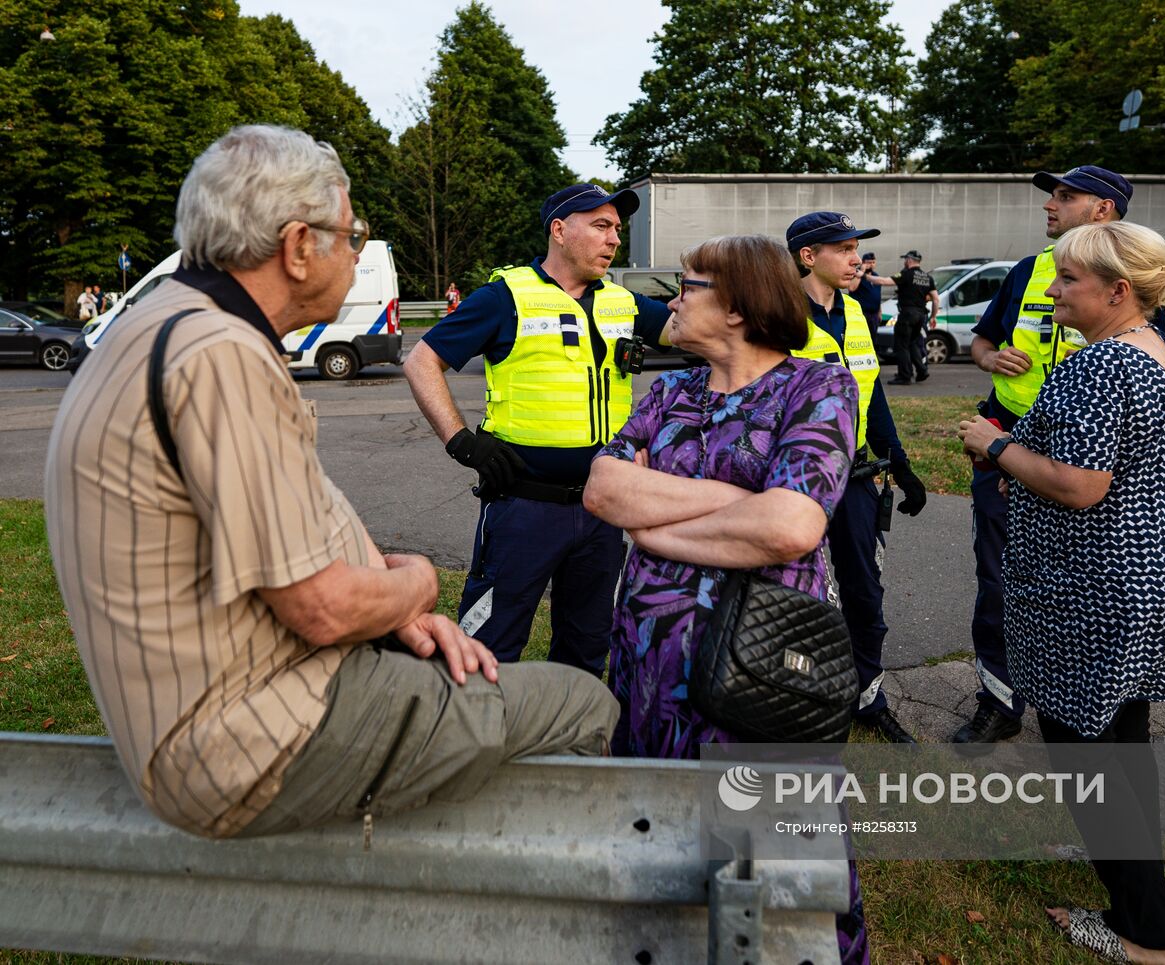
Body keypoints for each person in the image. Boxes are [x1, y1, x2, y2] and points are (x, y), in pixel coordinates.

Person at [43, 124, 618, 840]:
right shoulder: (220, 355)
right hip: (257, 739)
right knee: (583, 698)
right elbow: (321, 607)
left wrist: (400, 619)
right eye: (352, 235)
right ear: (296, 247)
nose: (356, 253)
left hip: (227, 708)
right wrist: (413, 588)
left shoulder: (166, 326)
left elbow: (291, 524)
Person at [583, 233, 868, 963]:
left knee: (778, 872)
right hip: (649, 676)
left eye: (690, 285)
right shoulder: (671, 390)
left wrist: (655, 531)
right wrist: (738, 498)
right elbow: (604, 487)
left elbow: (791, 523)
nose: (674, 299)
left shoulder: (818, 386)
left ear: (737, 307)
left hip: (758, 674)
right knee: (662, 858)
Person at [959, 221, 1165, 965]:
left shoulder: (1100, 366)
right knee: (1123, 749)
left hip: (1096, 592)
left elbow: (1078, 485)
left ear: (1117, 290)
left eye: (1069, 279)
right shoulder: (1159, 351)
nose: (1055, 288)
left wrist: (994, 444)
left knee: (1088, 762)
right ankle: (1132, 878)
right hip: (1157, 580)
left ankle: (1154, 939)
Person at [403, 183, 673, 675]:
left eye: (617, 228)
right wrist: (461, 441)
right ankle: (480, 745)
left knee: (589, 647)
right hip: (523, 506)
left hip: (602, 509)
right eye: (600, 226)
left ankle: (569, 747)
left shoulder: (623, 304)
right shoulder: (505, 297)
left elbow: (692, 332)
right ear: (559, 230)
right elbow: (422, 360)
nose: (614, 239)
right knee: (488, 645)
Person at [954, 164, 1133, 747]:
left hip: (1089, 464)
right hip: (1007, 447)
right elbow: (982, 341)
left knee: (1092, 585)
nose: (1049, 206)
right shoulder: (1029, 272)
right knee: (1001, 576)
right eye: (1052, 195)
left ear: (1103, 209)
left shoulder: (1138, 278)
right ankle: (1001, 700)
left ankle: (1103, 704)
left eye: (1065, 195)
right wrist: (990, 360)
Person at [787, 212, 928, 743]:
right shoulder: (777, 314)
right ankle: (807, 697)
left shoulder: (854, 310)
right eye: (843, 249)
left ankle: (867, 694)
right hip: (796, 483)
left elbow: (872, 394)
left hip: (857, 479)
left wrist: (900, 461)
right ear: (807, 256)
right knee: (801, 598)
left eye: (857, 249)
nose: (856, 259)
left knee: (865, 592)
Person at [887, 250, 937, 385]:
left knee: (901, 346)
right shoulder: (927, 277)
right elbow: (936, 299)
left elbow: (886, 281)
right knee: (913, 343)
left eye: (905, 260)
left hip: (907, 315)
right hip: (921, 315)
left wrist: (865, 276)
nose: (904, 262)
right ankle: (922, 371)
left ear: (909, 260)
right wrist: (933, 316)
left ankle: (904, 376)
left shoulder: (906, 274)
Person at [848, 251, 894, 331]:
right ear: (863, 263)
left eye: (873, 262)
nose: (871, 264)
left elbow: (877, 295)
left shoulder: (875, 276)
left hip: (874, 315)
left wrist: (879, 312)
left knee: (872, 339)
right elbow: (851, 288)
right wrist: (862, 272)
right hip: (860, 313)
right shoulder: (856, 273)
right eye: (868, 262)